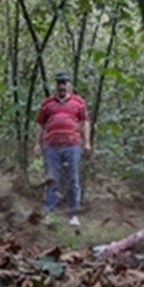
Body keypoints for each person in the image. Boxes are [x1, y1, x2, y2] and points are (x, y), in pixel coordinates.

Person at [35, 71, 91, 226]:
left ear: (69, 85)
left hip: (72, 144)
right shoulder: (47, 104)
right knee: (52, 179)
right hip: (51, 146)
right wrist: (37, 144)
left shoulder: (78, 102)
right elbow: (39, 123)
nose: (62, 86)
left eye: (64, 83)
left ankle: (73, 214)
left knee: (73, 179)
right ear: (56, 85)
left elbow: (85, 122)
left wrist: (87, 142)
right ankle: (49, 212)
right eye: (59, 83)